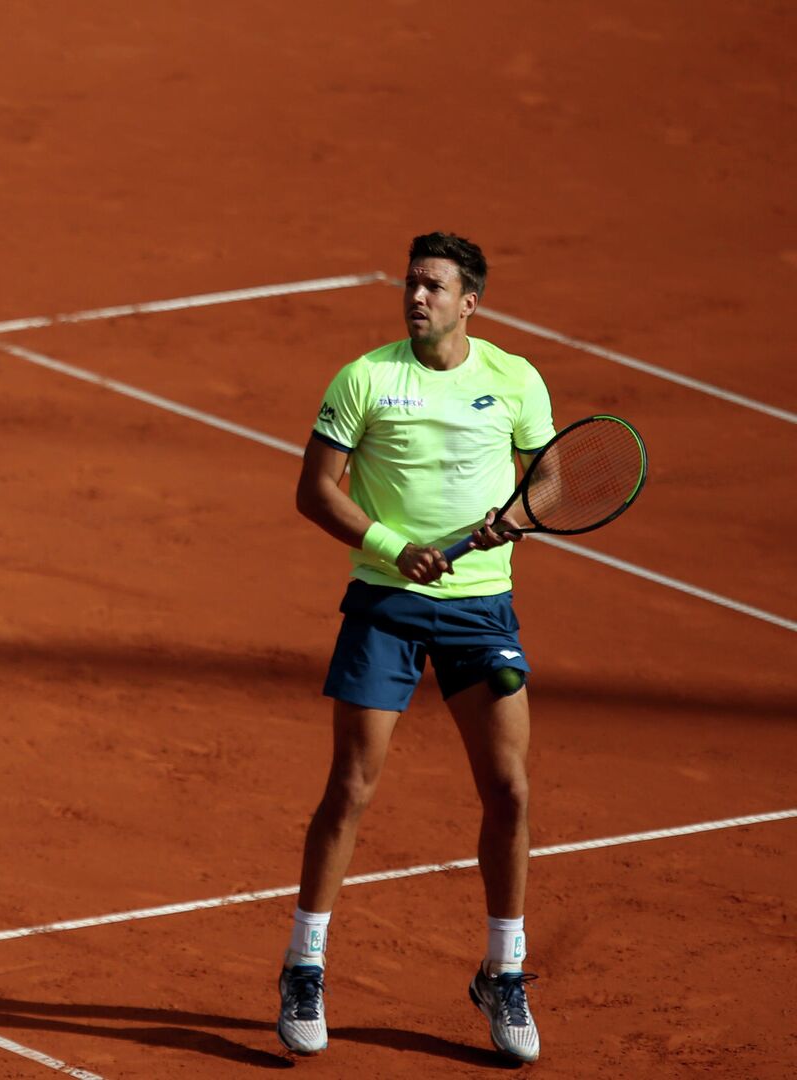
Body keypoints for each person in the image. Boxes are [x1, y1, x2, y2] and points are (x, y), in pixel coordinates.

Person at [275, 233, 553, 1064]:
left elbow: (550, 479)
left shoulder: (514, 379)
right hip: (387, 604)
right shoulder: (366, 378)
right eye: (412, 284)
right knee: (351, 787)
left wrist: (520, 515)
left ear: (471, 301)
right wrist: (396, 547)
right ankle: (304, 964)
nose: (417, 296)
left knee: (508, 790)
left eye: (434, 286)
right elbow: (314, 491)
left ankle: (503, 972)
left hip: (481, 610)